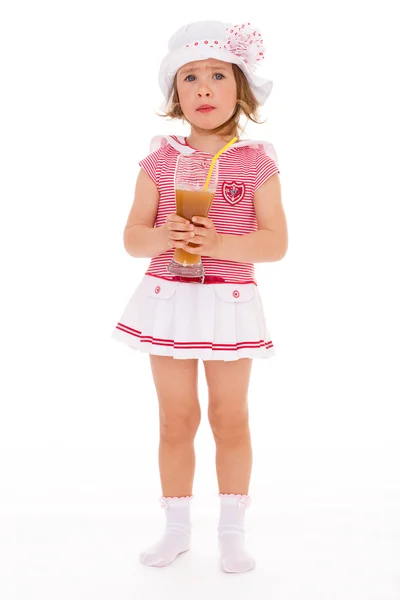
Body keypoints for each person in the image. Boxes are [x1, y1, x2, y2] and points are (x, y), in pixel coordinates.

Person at [111, 19, 288, 573]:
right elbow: (132, 238)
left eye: (217, 75)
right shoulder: (160, 160)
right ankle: (176, 528)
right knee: (175, 417)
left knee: (230, 417)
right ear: (174, 94)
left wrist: (220, 242)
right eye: (190, 78)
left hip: (229, 302)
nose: (204, 88)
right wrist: (167, 235)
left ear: (241, 89)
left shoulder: (255, 162)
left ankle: (232, 532)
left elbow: (275, 243)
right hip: (169, 300)